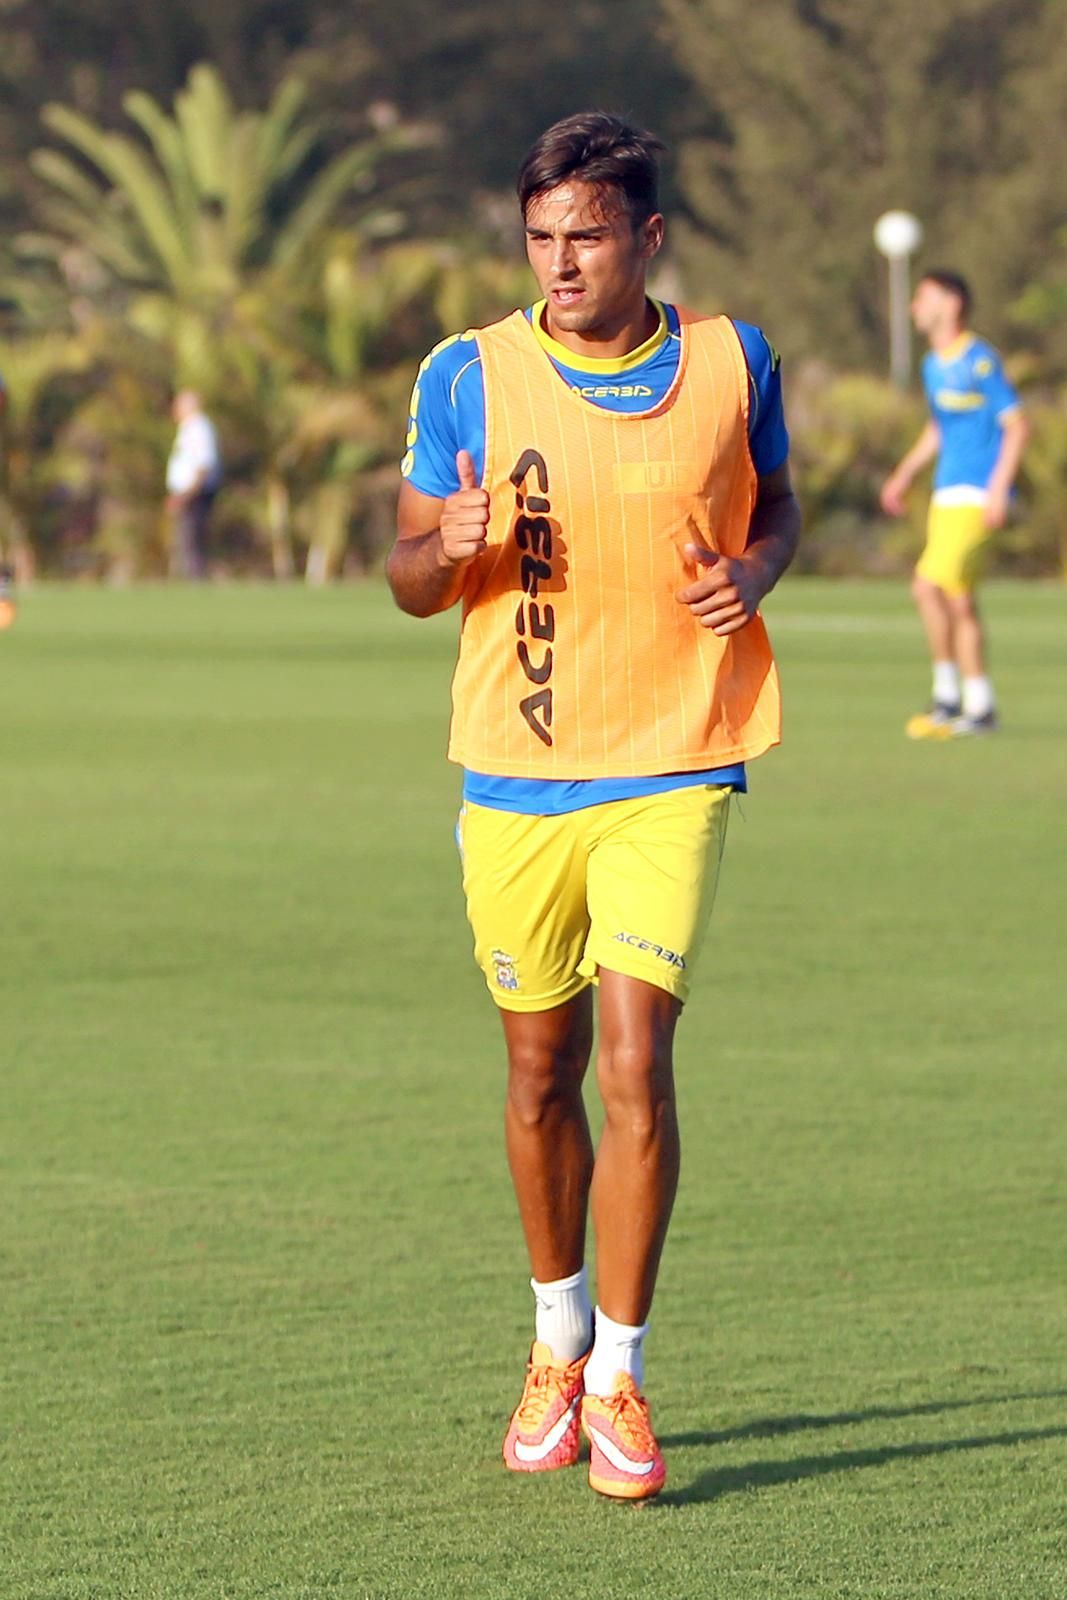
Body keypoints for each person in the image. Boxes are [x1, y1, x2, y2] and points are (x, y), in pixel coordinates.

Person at [386, 112, 800, 1501]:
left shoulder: (732, 362)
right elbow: (404, 574)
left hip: (674, 759)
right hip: (513, 770)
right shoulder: (468, 375)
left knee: (633, 1066)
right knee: (535, 1073)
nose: (560, 262)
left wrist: (753, 572)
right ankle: (554, 1335)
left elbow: (779, 505)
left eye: (587, 236)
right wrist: (438, 550)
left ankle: (619, 1374)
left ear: (646, 237)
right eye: (541, 238)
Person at [880, 270, 1028, 739]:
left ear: (952, 301)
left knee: (928, 586)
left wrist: (1000, 486)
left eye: (922, 298)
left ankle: (947, 696)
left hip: (976, 495)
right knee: (959, 599)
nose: (914, 307)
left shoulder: (979, 359)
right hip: (946, 495)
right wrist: (903, 475)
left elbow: (1017, 425)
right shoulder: (932, 364)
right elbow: (939, 428)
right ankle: (978, 705)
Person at [166, 390, 221, 578]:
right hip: (190, 493)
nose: (175, 409)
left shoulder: (199, 428)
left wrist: (186, 495)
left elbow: (203, 465)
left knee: (192, 541)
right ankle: (191, 580)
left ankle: (197, 583)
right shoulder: (188, 428)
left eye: (179, 404)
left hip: (196, 493)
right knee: (185, 542)